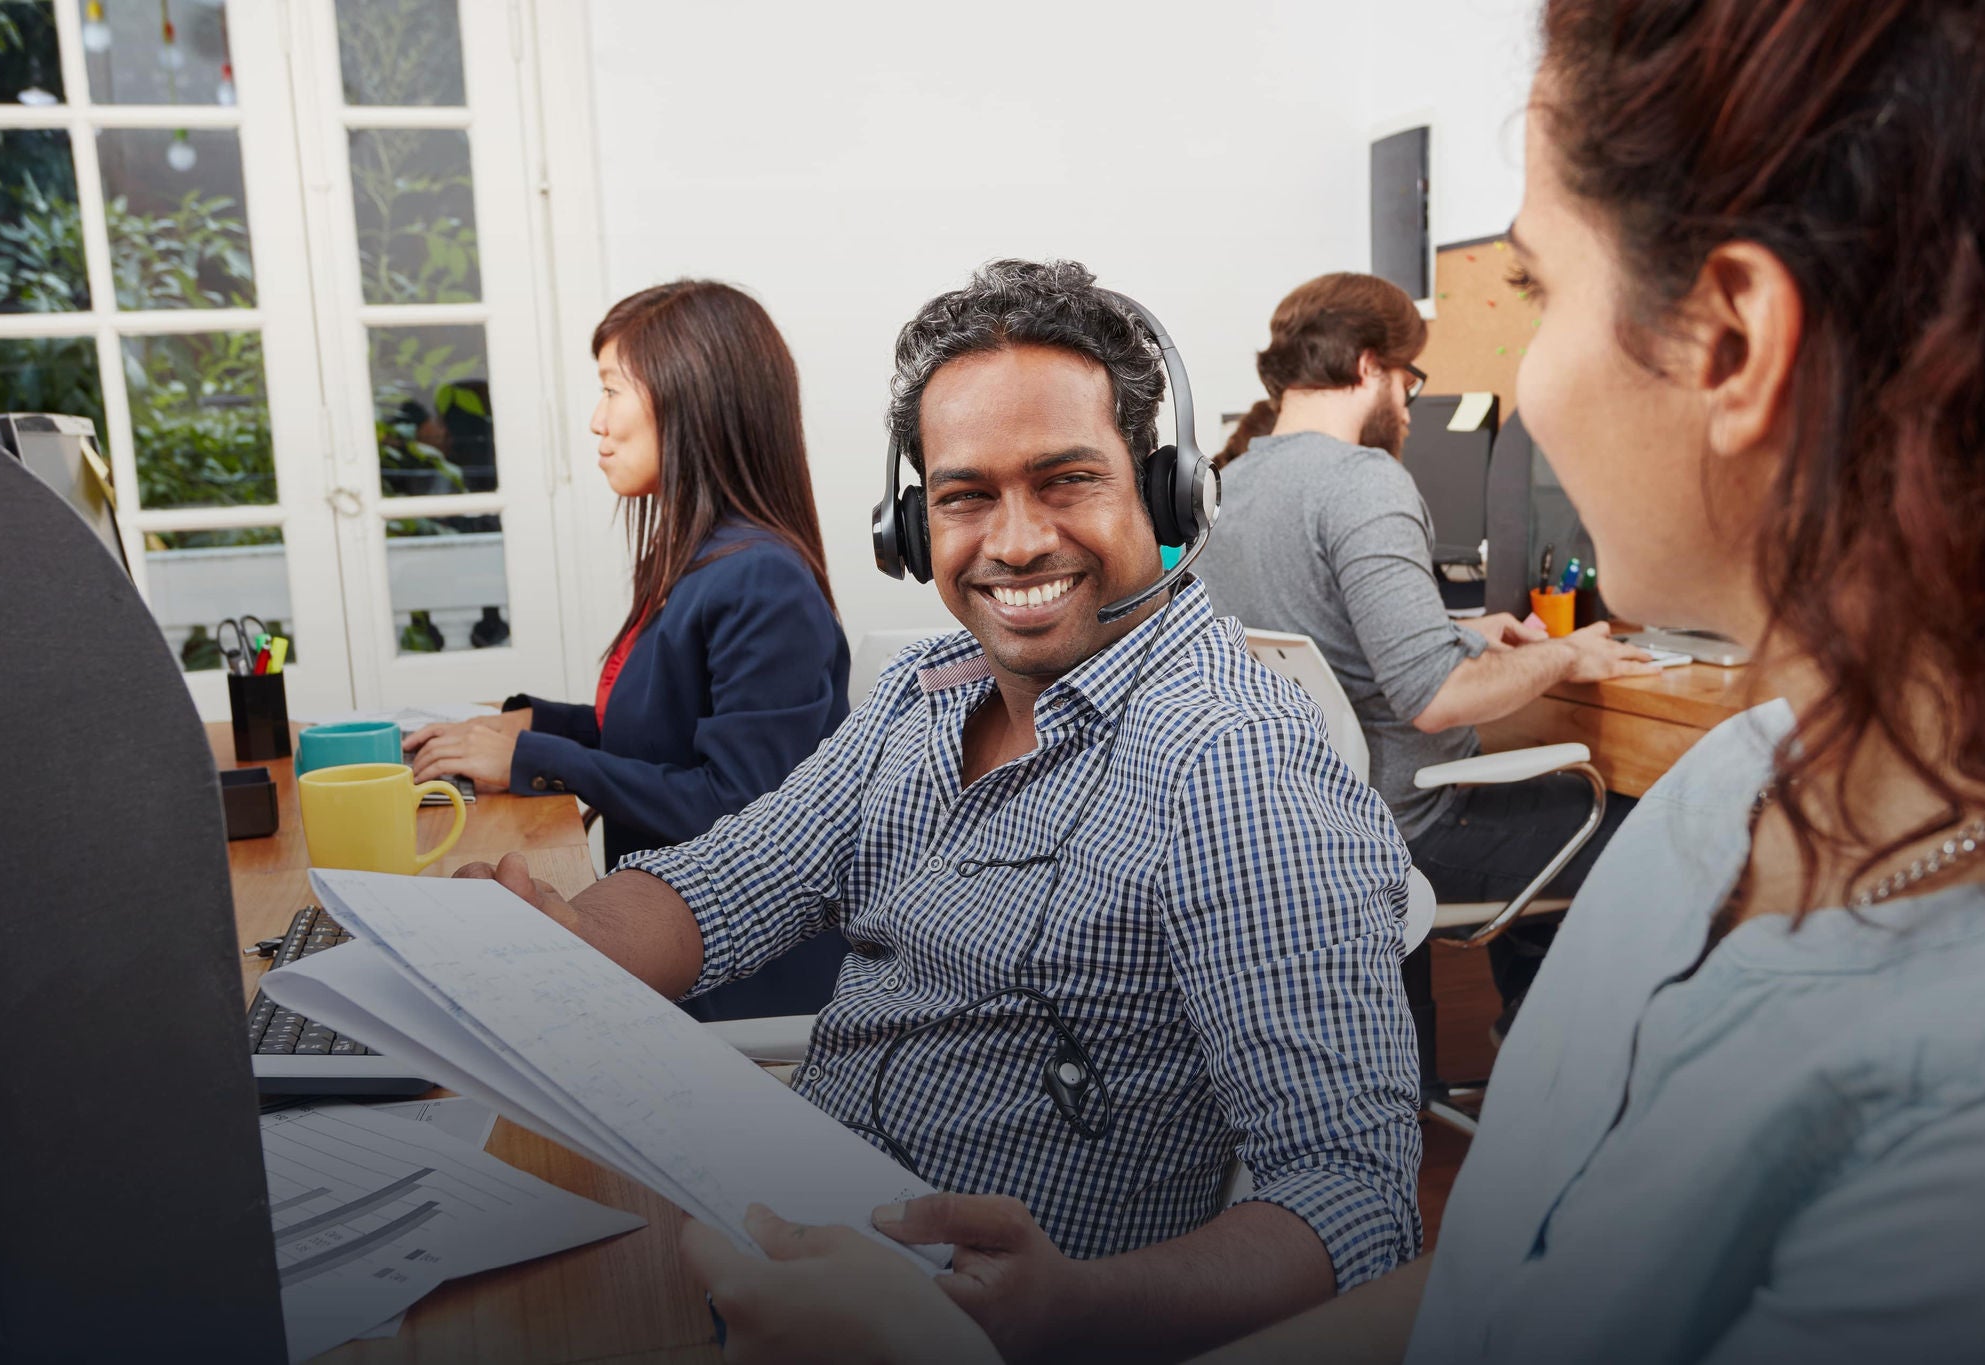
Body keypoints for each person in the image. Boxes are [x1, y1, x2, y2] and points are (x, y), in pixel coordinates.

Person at [677, 1, 1985, 1361]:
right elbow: (1491, 1290)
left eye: (1542, 293)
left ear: (1729, 344)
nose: (1529, 380)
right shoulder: (1724, 798)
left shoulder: (1975, 1111)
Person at [465, 259, 1424, 1359]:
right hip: (779, 1272)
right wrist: (560, 940)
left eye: (1066, 481)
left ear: (1163, 494)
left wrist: (1069, 1307)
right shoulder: (925, 700)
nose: (1015, 542)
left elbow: (1353, 1200)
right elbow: (720, 885)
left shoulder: (1234, 766)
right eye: (967, 496)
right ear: (912, 525)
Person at [1201, 271, 1656, 1043]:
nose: (1409, 406)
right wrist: (1567, 658)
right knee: (1657, 828)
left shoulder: (1230, 483)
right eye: (1409, 380)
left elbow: (1330, 645)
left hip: (1301, 828)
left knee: (1551, 796)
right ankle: (1554, 1062)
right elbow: (1436, 697)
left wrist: (1474, 636)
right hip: (1414, 830)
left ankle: (1521, 1037)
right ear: (1370, 366)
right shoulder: (1362, 481)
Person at [407, 281, 852, 1021]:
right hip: (669, 939)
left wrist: (536, 759)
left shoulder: (763, 580)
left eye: (613, 389)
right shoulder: (702, 562)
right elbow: (663, 735)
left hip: (735, 976)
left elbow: (737, 809)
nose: (596, 420)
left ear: (694, 398)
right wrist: (530, 725)